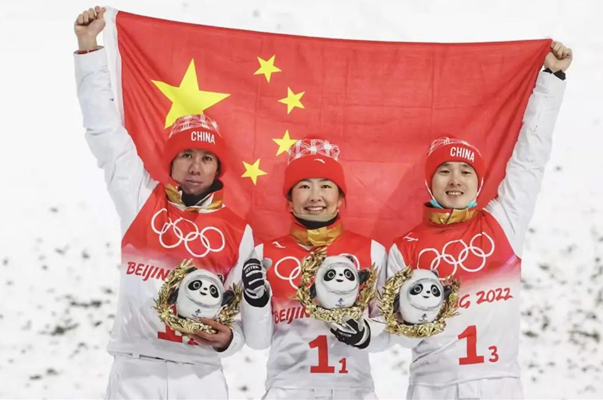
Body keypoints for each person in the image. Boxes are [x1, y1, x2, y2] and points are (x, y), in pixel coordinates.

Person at [74, 7, 254, 399]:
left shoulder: (239, 231)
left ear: (218, 167)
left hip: (201, 376)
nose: (195, 166)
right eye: (186, 155)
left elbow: (244, 320)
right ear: (170, 162)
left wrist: (228, 341)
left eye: (206, 158)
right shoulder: (140, 198)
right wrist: (89, 50)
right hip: (135, 370)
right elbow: (103, 131)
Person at [387, 41, 572, 399]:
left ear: (479, 182)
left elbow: (531, 158)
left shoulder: (503, 221)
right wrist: (411, 316)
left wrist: (551, 78)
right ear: (429, 181)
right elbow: (392, 332)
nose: (455, 180)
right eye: (444, 171)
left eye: (466, 171)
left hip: (498, 386)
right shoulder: (404, 248)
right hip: (431, 389)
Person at [240, 138, 388, 400]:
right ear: (289, 199)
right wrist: (255, 299)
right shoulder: (264, 255)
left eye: (326, 186)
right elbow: (257, 341)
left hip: (354, 391)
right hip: (287, 391)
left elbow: (386, 334)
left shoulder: (372, 251)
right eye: (304, 186)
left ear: (340, 198)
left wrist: (365, 333)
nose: (315, 196)